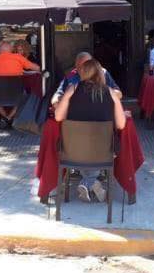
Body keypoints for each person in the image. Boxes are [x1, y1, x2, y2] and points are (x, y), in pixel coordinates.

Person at [54, 58, 126, 203]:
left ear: (82, 73)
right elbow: (121, 125)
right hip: (103, 151)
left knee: (83, 147)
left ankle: (88, 182)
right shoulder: (111, 93)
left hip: (72, 150)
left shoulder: (72, 89)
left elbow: (58, 117)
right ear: (100, 73)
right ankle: (91, 183)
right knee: (95, 146)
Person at [0, 40, 40, 122]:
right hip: (17, 95)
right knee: (24, 96)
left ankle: (5, 116)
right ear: (11, 49)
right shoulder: (18, 57)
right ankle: (10, 116)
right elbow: (36, 68)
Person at [52, 51, 122, 106]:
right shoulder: (70, 76)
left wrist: (102, 94)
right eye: (80, 67)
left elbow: (119, 94)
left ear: (93, 64)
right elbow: (56, 97)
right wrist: (60, 101)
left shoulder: (103, 73)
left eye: (86, 66)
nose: (83, 70)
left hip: (100, 113)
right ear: (75, 65)